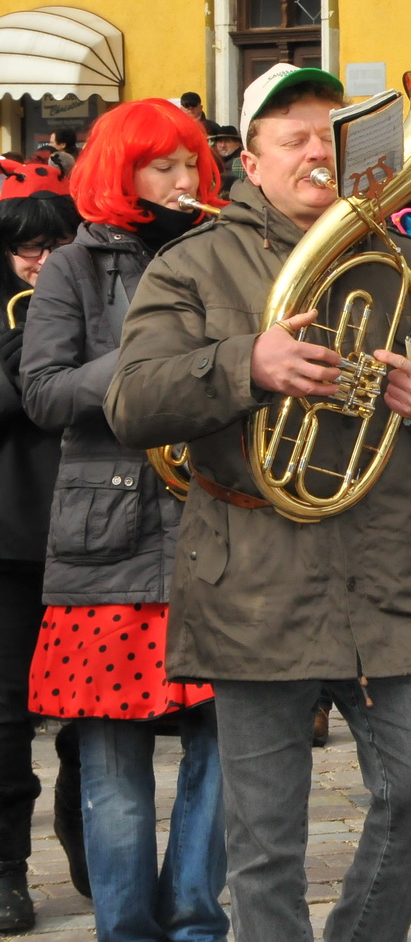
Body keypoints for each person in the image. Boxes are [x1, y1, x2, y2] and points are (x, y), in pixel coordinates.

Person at [104, 63, 411, 942]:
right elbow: (131, 401)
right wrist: (248, 364)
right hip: (253, 571)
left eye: (332, 136)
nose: (317, 153)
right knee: (265, 840)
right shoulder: (192, 264)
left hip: (385, 565)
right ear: (251, 159)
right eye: (294, 139)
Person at [19, 98, 229, 942]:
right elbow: (43, 391)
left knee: (224, 744)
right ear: (120, 170)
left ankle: (196, 921)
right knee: (113, 763)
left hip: (216, 524)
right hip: (107, 537)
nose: (185, 180)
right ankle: (128, 931)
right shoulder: (70, 267)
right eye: (162, 166)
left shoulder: (223, 250)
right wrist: (147, 364)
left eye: (191, 164)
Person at [0, 183, 82, 931]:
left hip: (92, 533)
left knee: (93, 710)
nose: (45, 261)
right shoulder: (14, 317)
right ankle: (6, 870)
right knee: (4, 718)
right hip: (10, 536)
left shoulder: (94, 297)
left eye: (59, 245)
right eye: (31, 249)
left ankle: (87, 828)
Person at [208, 125, 244, 194]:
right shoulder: (213, 161)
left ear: (237, 144)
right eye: (220, 141)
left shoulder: (241, 163)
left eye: (227, 141)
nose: (223, 145)